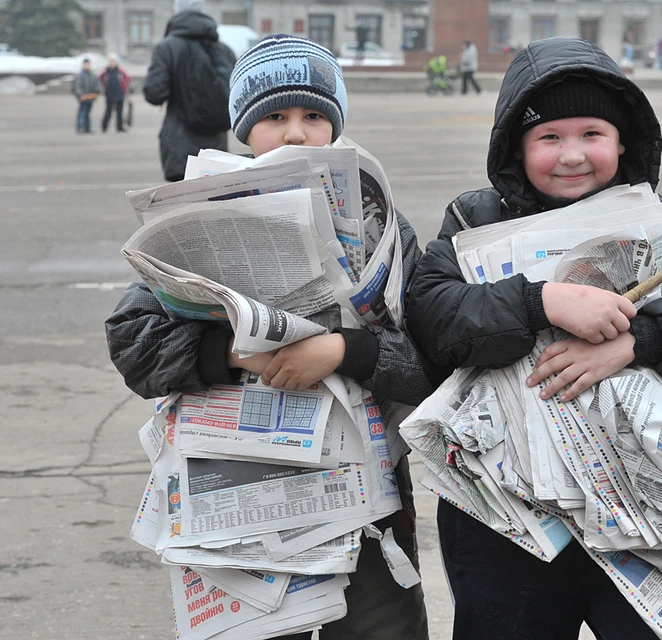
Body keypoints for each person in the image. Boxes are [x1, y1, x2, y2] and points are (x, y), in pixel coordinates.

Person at [406, 37, 662, 640]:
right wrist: (539, 300)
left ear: (623, 140)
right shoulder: (475, 222)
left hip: (649, 507)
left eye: (591, 134)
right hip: (512, 519)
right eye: (548, 137)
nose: (571, 155)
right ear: (515, 148)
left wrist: (639, 340)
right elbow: (433, 316)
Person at [106, 35, 433, 640]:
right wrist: (231, 353)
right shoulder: (198, 220)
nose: (295, 134)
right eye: (274, 117)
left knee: (378, 624)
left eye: (315, 116)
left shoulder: (382, 225)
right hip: (234, 485)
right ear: (243, 130)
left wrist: (346, 350)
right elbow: (132, 343)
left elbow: (430, 358)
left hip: (363, 494)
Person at [143, 0, 236, 181]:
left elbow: (154, 93)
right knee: (216, 203)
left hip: (180, 143)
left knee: (183, 205)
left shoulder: (167, 47)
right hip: (217, 145)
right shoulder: (224, 50)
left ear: (176, 13)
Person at [99, 53, 131, 132]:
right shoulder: (105, 72)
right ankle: (104, 127)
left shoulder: (120, 71)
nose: (112, 63)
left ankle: (119, 127)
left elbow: (127, 80)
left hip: (119, 94)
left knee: (119, 112)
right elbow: (100, 79)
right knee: (108, 111)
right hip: (109, 94)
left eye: (114, 61)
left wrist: (127, 91)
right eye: (111, 61)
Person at [72, 58, 99, 134]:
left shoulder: (92, 75)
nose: (87, 66)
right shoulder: (80, 75)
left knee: (87, 113)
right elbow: (77, 86)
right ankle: (80, 127)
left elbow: (97, 84)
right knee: (82, 112)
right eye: (85, 64)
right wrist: (80, 95)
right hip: (83, 98)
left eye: (88, 64)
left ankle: (87, 128)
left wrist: (96, 93)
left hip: (90, 97)